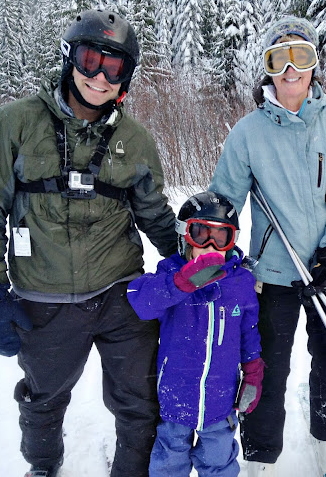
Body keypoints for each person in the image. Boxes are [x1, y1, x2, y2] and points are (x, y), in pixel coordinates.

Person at [0, 10, 177, 477]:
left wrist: (192, 261)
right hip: (45, 296)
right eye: (90, 60)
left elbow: (154, 213)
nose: (100, 77)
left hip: (121, 292)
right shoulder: (17, 122)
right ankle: (43, 464)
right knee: (44, 396)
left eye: (114, 67)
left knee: (140, 399)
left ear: (126, 77)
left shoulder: (135, 139)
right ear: (69, 58)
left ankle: (132, 470)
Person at [209, 16, 326, 477]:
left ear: (314, 64)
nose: (290, 69)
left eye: (301, 56)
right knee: (267, 368)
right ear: (268, 68)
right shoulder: (248, 132)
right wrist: (212, 239)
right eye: (278, 59)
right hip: (274, 275)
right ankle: (260, 455)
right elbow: (225, 200)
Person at [127, 191, 263, 477]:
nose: (211, 246)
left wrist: (253, 372)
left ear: (232, 241)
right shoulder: (170, 273)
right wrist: (181, 283)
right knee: (169, 462)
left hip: (220, 400)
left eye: (221, 237)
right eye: (201, 234)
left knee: (219, 461)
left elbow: (248, 332)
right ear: (184, 236)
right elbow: (141, 301)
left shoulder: (240, 282)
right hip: (176, 397)